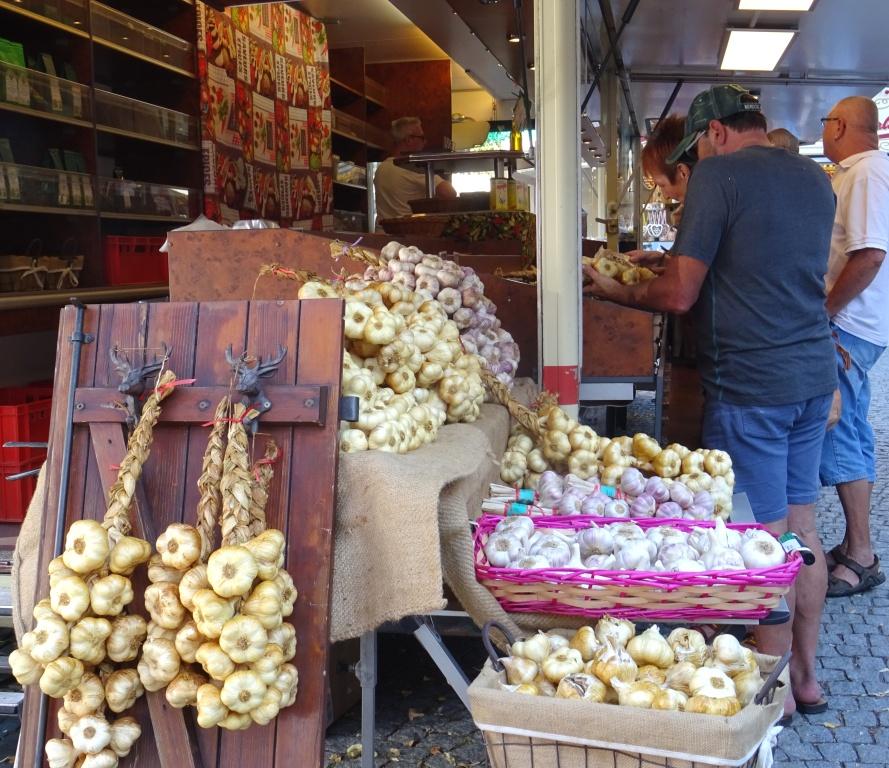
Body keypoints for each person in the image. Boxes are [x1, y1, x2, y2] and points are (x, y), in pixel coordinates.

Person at [584, 84, 837, 720]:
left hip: (752, 384)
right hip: (812, 374)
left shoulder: (719, 176)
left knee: (762, 539)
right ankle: (806, 678)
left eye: (695, 152)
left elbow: (677, 297)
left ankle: (771, 699)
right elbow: (759, 262)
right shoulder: (813, 178)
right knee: (804, 530)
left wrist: (612, 291)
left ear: (715, 134)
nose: (691, 168)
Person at [818, 95, 889, 598]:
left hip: (849, 325)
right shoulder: (856, 172)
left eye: (825, 124)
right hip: (855, 323)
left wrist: (825, 313)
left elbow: (868, 256)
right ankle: (855, 545)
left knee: (841, 432)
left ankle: (860, 554)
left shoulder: (866, 173)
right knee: (854, 429)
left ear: (839, 125)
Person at [373, 117, 456, 224]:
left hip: (383, 235)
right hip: (409, 234)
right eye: (422, 137)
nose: (425, 142)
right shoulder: (411, 167)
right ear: (408, 140)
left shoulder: (381, 168)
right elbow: (449, 192)